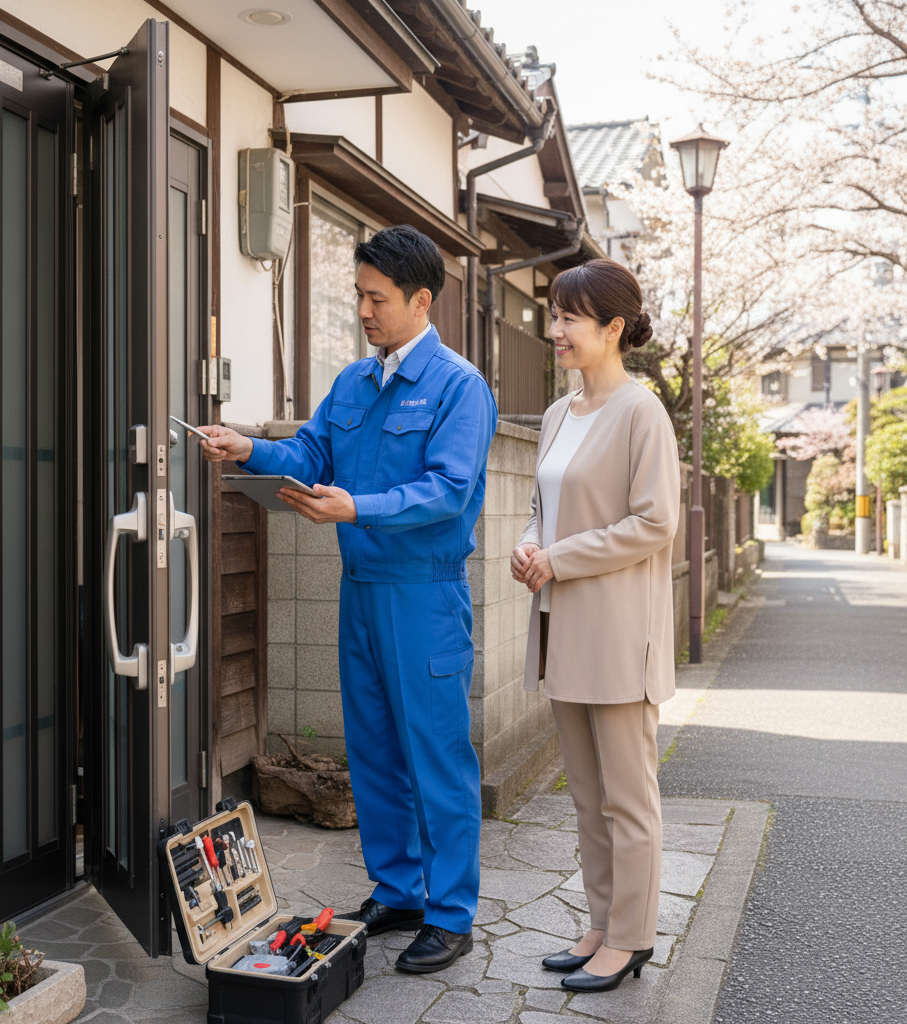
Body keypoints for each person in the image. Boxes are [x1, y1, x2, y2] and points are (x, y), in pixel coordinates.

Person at [198, 225, 497, 973]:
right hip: (360, 591)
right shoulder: (353, 384)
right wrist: (249, 449)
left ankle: (452, 912)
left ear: (420, 300)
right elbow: (309, 454)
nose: (363, 310)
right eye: (358, 295)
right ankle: (399, 889)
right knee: (373, 752)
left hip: (423, 595)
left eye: (377, 297)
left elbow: (448, 489)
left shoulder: (461, 387)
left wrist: (356, 508)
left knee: (436, 757)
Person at [510, 258, 680, 994]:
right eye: (552, 315)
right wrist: (527, 541)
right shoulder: (556, 413)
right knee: (585, 794)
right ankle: (601, 923)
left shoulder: (642, 411)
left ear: (613, 328)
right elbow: (547, 509)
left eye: (568, 318)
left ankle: (633, 937)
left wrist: (558, 556)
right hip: (560, 624)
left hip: (616, 633)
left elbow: (656, 523)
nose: (555, 331)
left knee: (627, 797)